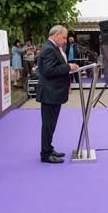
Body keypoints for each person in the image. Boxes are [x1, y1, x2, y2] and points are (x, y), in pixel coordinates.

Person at [36, 25, 79, 163]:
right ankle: (45, 154)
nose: (66, 40)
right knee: (48, 125)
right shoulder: (49, 49)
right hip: (49, 93)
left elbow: (54, 68)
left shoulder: (53, 47)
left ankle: (48, 148)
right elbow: (49, 71)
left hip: (53, 93)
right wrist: (68, 67)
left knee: (51, 124)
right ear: (56, 35)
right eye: (64, 37)